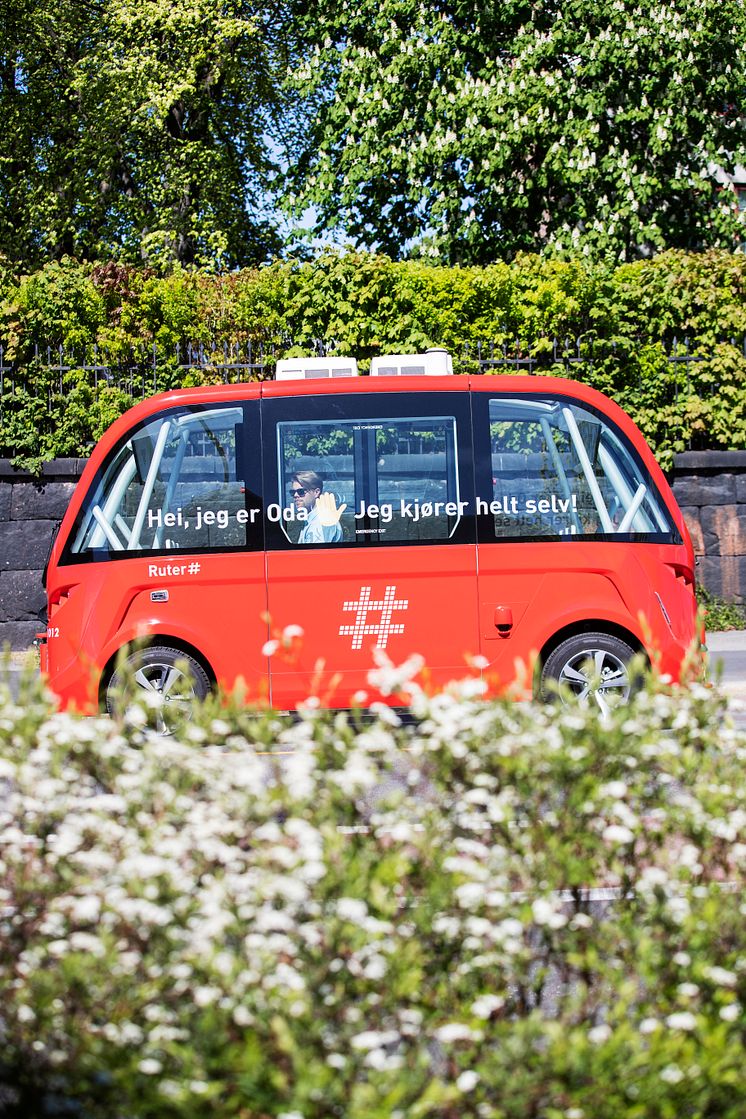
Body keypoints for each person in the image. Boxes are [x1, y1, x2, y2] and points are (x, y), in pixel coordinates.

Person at [290, 470, 346, 544]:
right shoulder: (311, 519)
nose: (295, 495)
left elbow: (316, 554)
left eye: (301, 492)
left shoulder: (322, 521)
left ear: (316, 492)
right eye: (292, 492)